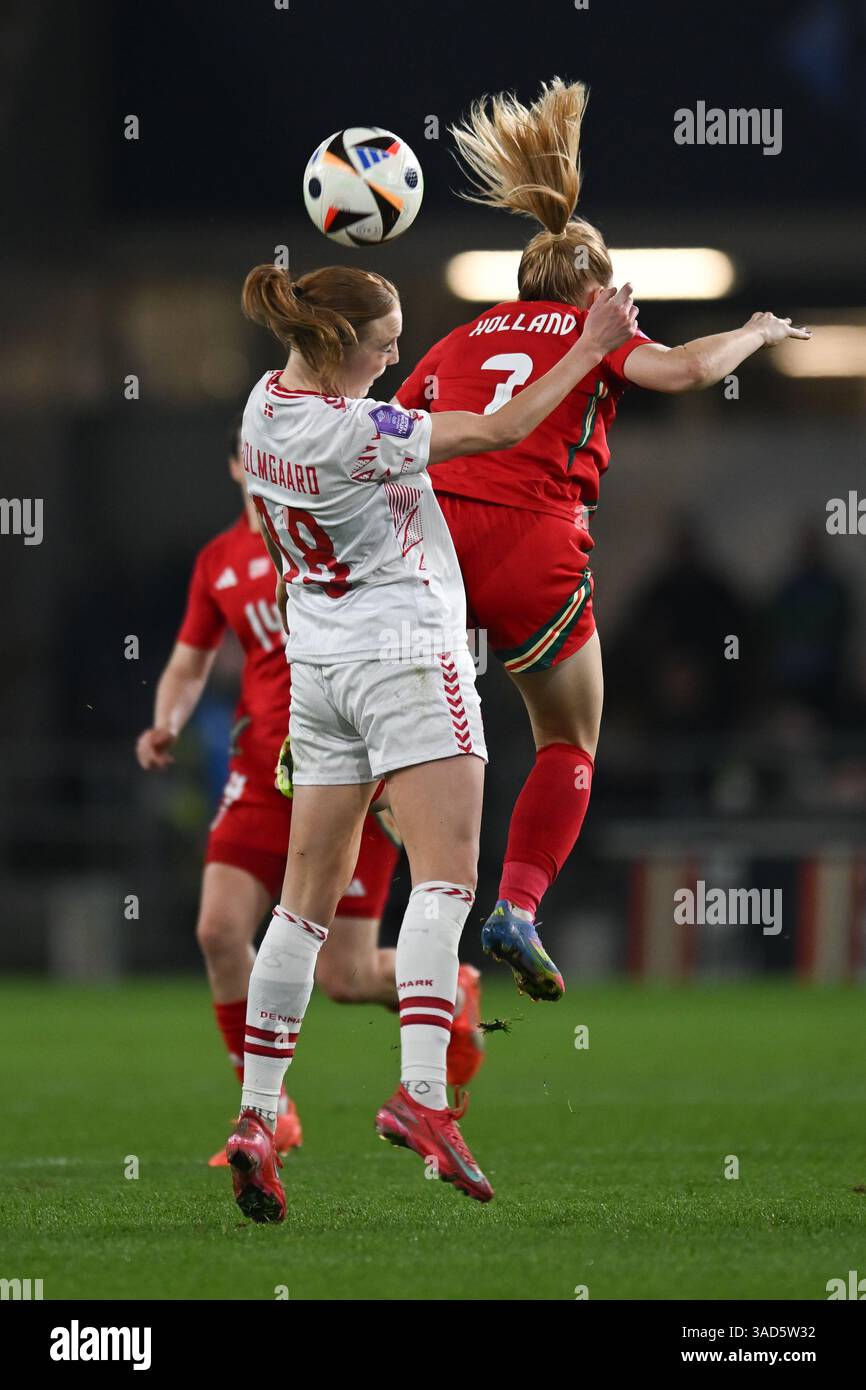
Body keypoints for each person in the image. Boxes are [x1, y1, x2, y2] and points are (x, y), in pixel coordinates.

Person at [224, 259, 638, 1220]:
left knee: (298, 911)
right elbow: (496, 429)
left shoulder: (260, 411)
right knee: (445, 881)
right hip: (408, 652)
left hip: (319, 668)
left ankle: (253, 1117)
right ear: (341, 347)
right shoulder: (364, 432)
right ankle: (421, 1097)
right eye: (385, 342)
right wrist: (590, 343)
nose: (398, 354)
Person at [395, 76, 811, 1001]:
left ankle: (358, 786)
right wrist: (751, 331)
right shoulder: (596, 327)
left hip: (429, 545)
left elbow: (382, 437)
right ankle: (519, 904)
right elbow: (688, 369)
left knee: (411, 722)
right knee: (569, 739)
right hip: (530, 547)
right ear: (590, 285)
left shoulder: (459, 339)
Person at [136, 424, 484, 1166]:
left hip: (352, 761)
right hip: (264, 772)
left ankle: (446, 987)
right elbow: (189, 662)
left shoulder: (335, 523)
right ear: (242, 464)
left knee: (347, 975)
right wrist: (166, 721)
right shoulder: (221, 562)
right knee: (219, 929)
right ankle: (268, 1111)